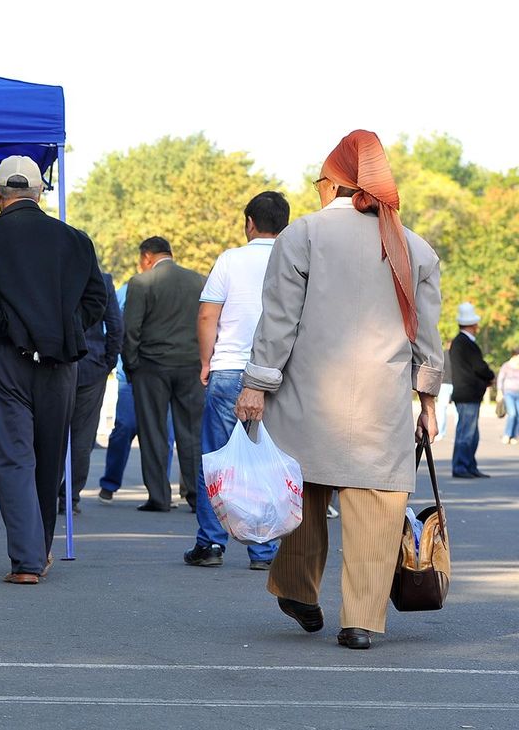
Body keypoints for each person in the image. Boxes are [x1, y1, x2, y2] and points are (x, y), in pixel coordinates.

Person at [235, 129, 442, 650]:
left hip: (310, 395)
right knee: (378, 506)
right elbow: (427, 336)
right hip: (382, 404)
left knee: (304, 490)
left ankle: (299, 590)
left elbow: (278, 321)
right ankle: (362, 622)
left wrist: (257, 385)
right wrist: (429, 402)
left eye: (320, 180)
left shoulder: (302, 235)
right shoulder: (415, 248)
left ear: (336, 182)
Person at [0, 155, 108, 584]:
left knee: (14, 459)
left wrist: (17, 329)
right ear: (40, 191)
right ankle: (40, 548)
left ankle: (28, 560)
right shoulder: (75, 239)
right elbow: (95, 301)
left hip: (9, 358)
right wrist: (63, 329)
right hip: (61, 362)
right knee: (49, 458)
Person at [186, 192, 289, 570]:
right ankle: (264, 550)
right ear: (286, 224)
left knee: (217, 458)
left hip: (229, 370)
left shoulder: (230, 260)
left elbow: (207, 315)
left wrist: (205, 361)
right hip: (277, 373)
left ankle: (211, 544)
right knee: (267, 459)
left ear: (249, 222)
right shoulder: (294, 259)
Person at [122, 236, 207, 513]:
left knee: (154, 431)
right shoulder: (198, 281)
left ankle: (159, 497)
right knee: (191, 432)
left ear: (147, 257)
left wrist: (131, 364)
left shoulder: (141, 283)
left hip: (151, 367)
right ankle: (196, 495)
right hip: (191, 365)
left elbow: (131, 329)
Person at [97, 282, 175, 501]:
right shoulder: (128, 290)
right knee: (124, 427)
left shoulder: (171, 290)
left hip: (160, 373)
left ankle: (159, 489)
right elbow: (112, 326)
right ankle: (110, 482)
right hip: (130, 374)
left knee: (164, 434)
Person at [60, 273, 122, 514]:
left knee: (50, 432)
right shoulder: (102, 279)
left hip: (59, 362)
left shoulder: (56, 271)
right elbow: (115, 325)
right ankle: (70, 497)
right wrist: (108, 361)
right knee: (82, 437)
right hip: (92, 363)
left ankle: (47, 491)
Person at [450, 302, 493, 477]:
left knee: (471, 433)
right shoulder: (466, 343)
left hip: (466, 393)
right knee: (466, 433)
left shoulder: (459, 342)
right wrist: (490, 376)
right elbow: (479, 366)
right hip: (467, 393)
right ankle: (461, 466)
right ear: (472, 324)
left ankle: (469, 465)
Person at [496, 348, 519, 444]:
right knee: (512, 413)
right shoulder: (506, 366)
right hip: (508, 393)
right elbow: (500, 379)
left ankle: (514, 435)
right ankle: (507, 434)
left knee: (518, 414)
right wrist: (499, 392)